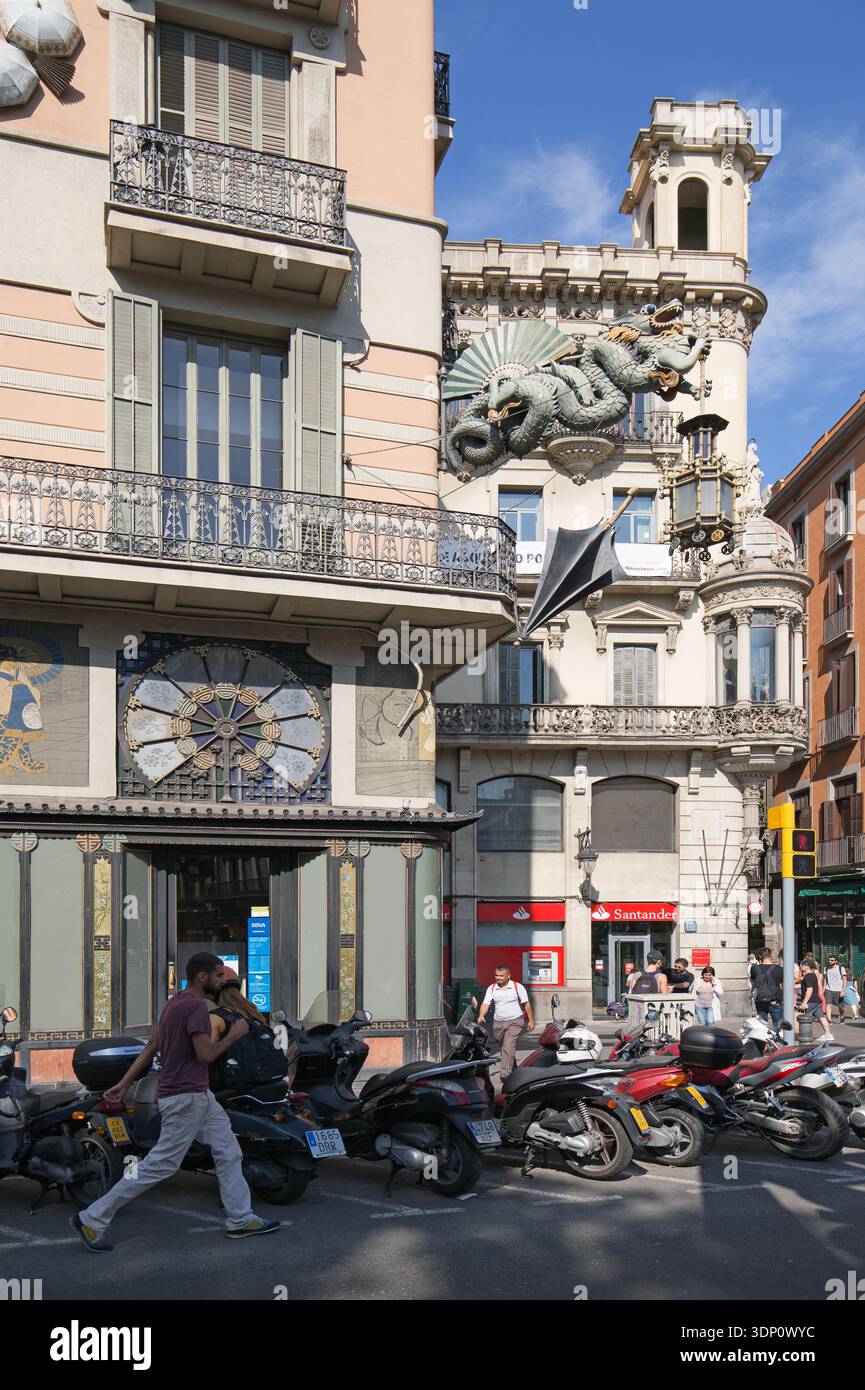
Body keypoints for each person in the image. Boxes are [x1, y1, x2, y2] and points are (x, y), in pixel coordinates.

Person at [70, 952, 281, 1253]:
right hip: (186, 1097)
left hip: (197, 1096)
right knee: (161, 1164)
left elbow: (151, 1046)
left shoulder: (173, 1004)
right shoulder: (196, 1007)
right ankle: (92, 1218)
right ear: (203, 977)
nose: (224, 982)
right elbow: (206, 1055)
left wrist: (123, 1083)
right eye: (219, 976)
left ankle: (240, 1218)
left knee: (228, 1150)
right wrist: (234, 1035)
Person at [478, 966, 535, 1081]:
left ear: (508, 976)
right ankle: (514, 1069)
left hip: (515, 1020)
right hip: (498, 1022)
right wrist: (481, 1015)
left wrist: (531, 1020)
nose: (498, 978)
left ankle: (505, 1074)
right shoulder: (492, 988)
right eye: (496, 975)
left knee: (508, 1044)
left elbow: (526, 1004)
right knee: (504, 1047)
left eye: (501, 976)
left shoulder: (517, 987)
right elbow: (485, 1004)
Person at [750, 947, 784, 1031]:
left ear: (760, 957)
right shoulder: (779, 969)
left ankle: (765, 1043)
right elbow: (783, 986)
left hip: (760, 1000)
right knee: (777, 1023)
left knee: (763, 1024)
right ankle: (776, 1040)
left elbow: (753, 982)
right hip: (775, 1000)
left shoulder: (754, 969)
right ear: (770, 955)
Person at [799, 957, 833, 1039]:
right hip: (817, 1001)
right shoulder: (813, 975)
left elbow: (809, 990)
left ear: (807, 966)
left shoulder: (808, 976)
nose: (800, 966)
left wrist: (804, 1002)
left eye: (802, 965)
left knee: (802, 1017)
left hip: (810, 1002)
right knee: (821, 1017)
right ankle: (828, 1034)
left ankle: (804, 1036)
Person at [824, 956, 847, 1023]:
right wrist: (824, 988)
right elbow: (825, 979)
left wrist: (843, 990)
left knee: (840, 1006)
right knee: (828, 1005)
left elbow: (844, 980)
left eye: (832, 960)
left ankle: (842, 1016)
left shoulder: (841, 968)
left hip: (839, 989)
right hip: (828, 989)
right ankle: (829, 1019)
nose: (829, 961)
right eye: (829, 960)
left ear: (836, 961)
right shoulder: (826, 968)